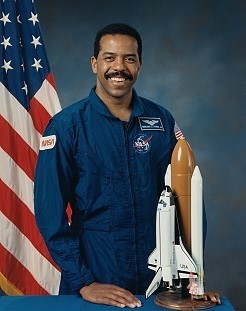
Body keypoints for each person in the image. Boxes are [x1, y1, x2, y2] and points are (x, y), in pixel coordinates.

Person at [34, 23, 220, 308]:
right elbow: (50, 214)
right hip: (95, 279)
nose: (119, 67)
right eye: (109, 58)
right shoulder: (66, 127)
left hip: (158, 281)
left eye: (129, 59)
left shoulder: (161, 122)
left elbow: (189, 203)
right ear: (94, 63)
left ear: (139, 65)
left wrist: (193, 281)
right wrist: (85, 283)